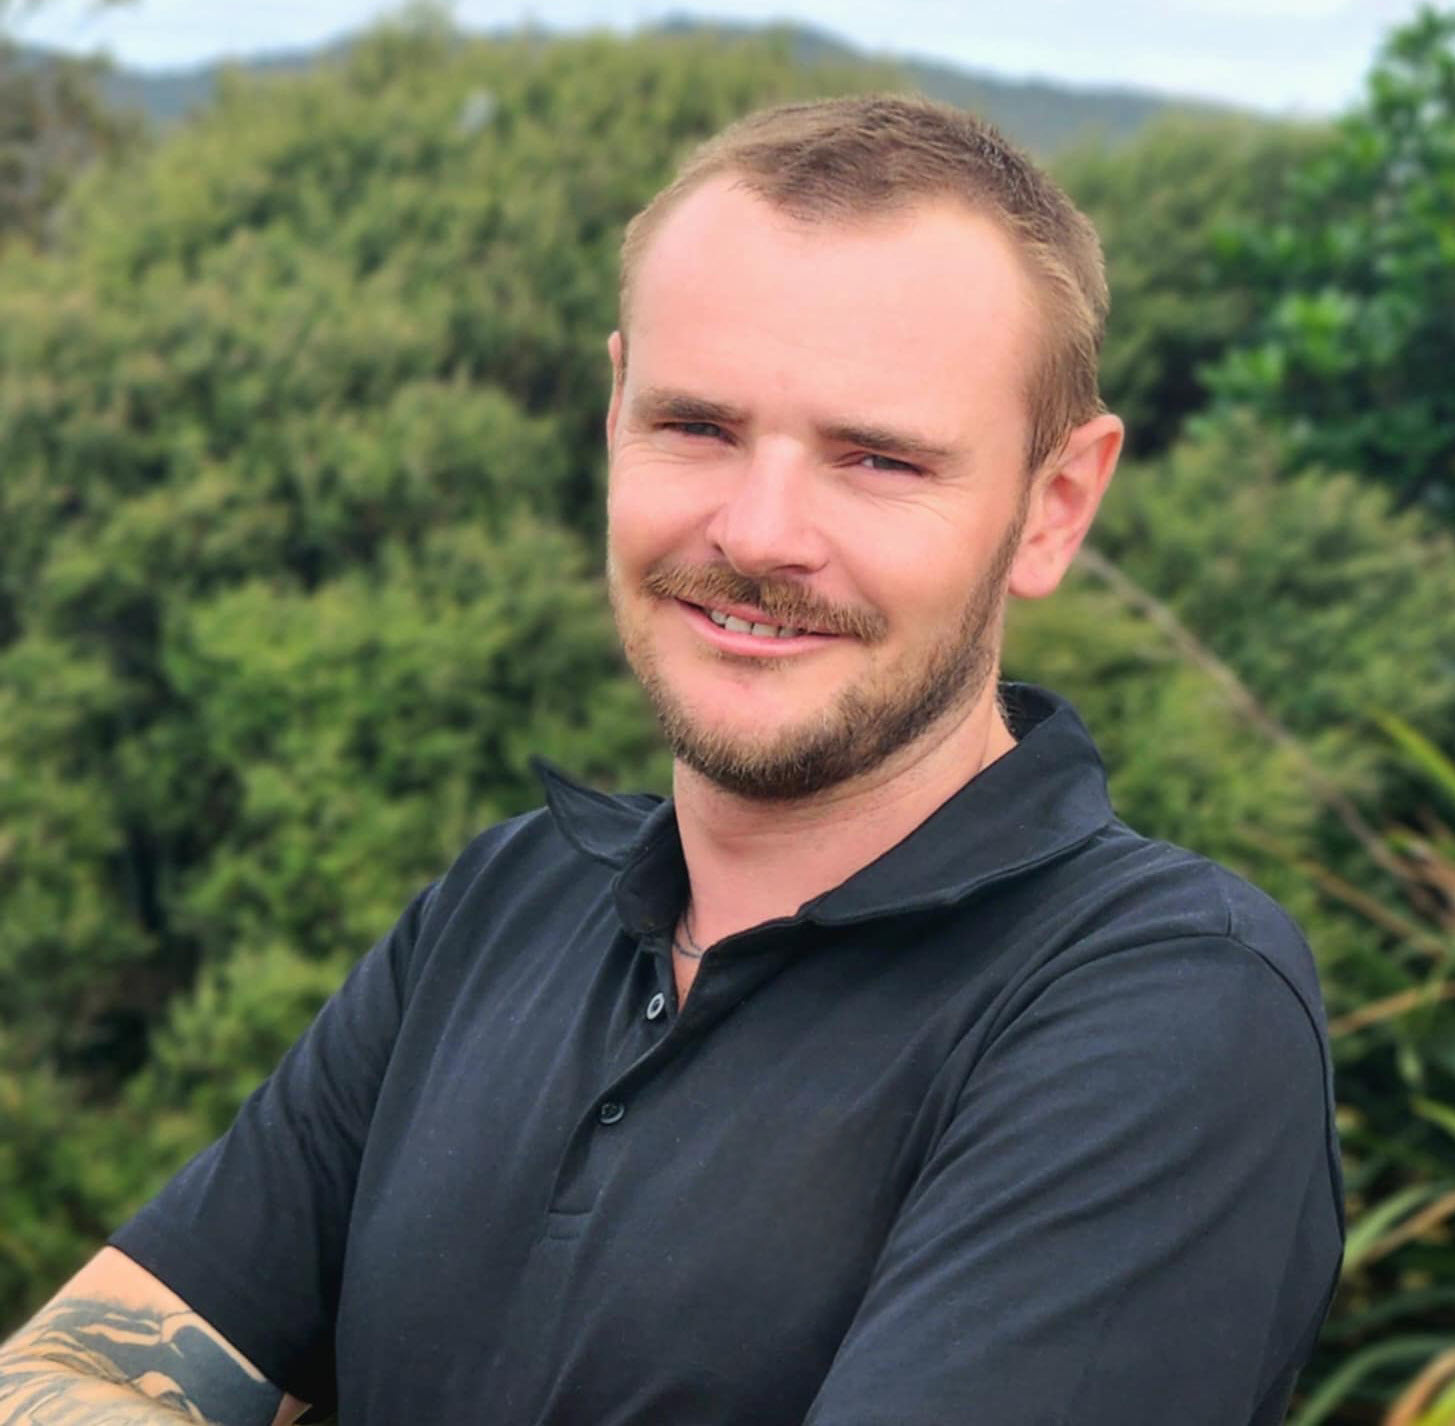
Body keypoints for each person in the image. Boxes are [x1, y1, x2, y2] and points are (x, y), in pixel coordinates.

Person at [0, 94, 1342, 1426]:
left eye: (879, 459)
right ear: (614, 414)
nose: (758, 534)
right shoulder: (504, 907)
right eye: (697, 427)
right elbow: (73, 1372)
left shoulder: (1164, 1004)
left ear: (1054, 505)